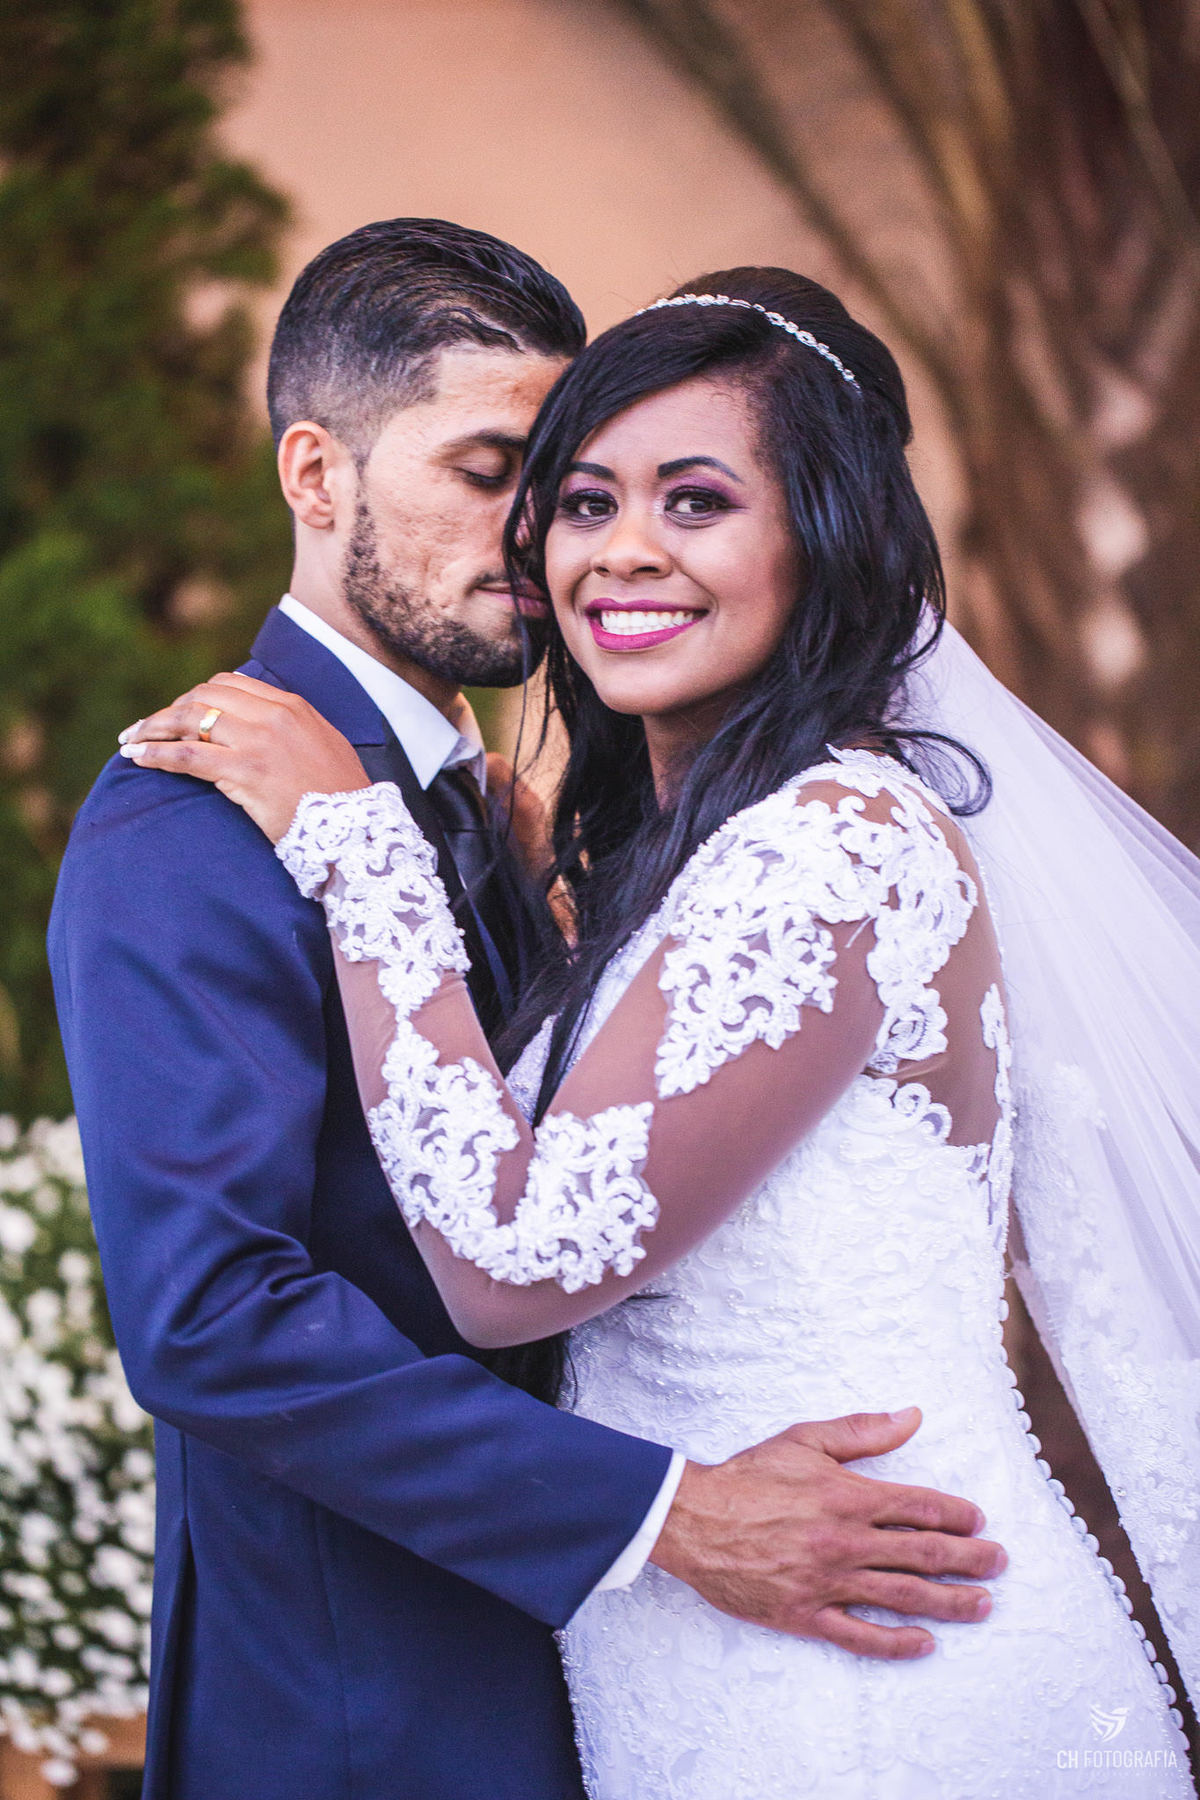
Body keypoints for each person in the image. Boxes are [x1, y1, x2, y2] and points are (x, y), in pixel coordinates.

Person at [123, 264, 1200, 1796]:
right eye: (576, 501)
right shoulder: (693, 854)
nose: (619, 551)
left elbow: (516, 1261)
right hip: (706, 1672)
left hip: (874, 1670)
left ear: (820, 539)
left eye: (696, 502)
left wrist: (362, 853)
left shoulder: (835, 843)